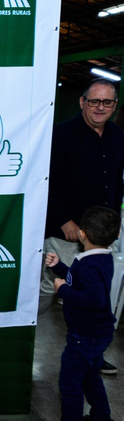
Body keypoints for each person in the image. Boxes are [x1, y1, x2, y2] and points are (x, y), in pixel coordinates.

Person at [40, 78, 124, 374]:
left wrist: (113, 223)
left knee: (97, 295)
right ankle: (18, 338)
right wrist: (64, 220)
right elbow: (45, 182)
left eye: (107, 102)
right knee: (50, 289)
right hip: (66, 232)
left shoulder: (117, 136)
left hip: (101, 237)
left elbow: (116, 183)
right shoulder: (61, 135)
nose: (100, 107)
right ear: (82, 102)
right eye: (94, 101)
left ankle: (93, 353)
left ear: (114, 105)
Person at [38, 206, 119, 421]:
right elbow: (79, 280)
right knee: (90, 376)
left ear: (82, 234)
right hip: (97, 333)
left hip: (85, 336)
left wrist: (63, 290)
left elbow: (94, 299)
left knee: (70, 382)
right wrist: (59, 267)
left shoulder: (90, 264)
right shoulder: (99, 258)